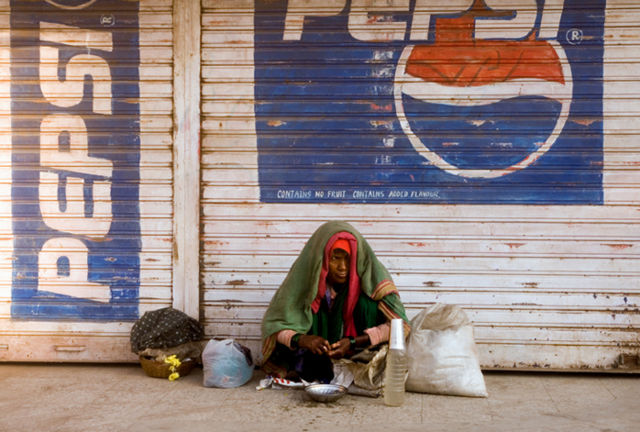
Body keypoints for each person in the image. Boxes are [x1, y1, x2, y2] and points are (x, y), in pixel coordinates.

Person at [261, 220, 409, 382]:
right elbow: (273, 326)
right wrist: (302, 339)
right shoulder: (305, 282)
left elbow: (401, 326)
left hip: (359, 355)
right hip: (314, 358)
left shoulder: (372, 282)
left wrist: (353, 342)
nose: (343, 267)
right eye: (335, 258)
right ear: (321, 259)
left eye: (348, 259)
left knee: (369, 304)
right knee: (304, 304)